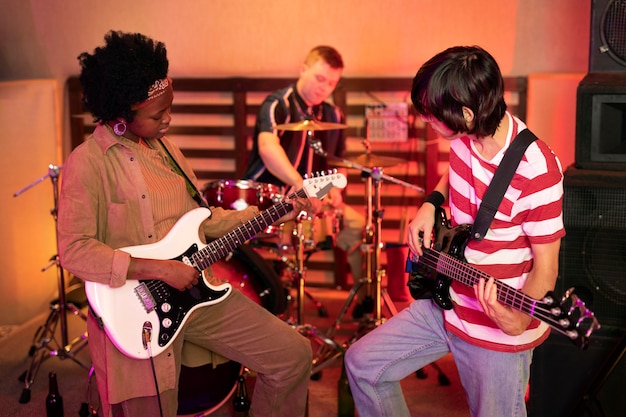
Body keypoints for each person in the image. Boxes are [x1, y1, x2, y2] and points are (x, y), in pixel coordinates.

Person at [57, 30, 314, 417]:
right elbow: (73, 250)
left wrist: (276, 210)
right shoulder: (88, 162)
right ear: (122, 116)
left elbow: (202, 221)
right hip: (135, 312)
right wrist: (159, 269)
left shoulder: (167, 151)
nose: (168, 119)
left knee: (292, 354)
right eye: (157, 115)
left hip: (194, 296)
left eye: (169, 108)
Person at [344, 45, 565, 417]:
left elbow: (547, 267)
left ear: (466, 113)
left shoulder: (537, 171)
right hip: (445, 298)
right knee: (362, 365)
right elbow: (454, 175)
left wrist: (521, 318)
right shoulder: (463, 138)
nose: (427, 122)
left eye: (433, 116)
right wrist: (430, 203)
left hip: (494, 330)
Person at [243, 45, 370, 317]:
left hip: (312, 200)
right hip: (270, 198)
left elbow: (337, 163)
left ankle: (363, 306)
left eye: (332, 83)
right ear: (303, 69)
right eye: (319, 78)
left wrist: (335, 190)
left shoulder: (334, 115)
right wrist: (300, 183)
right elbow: (267, 148)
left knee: (359, 226)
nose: (324, 88)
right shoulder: (278, 103)